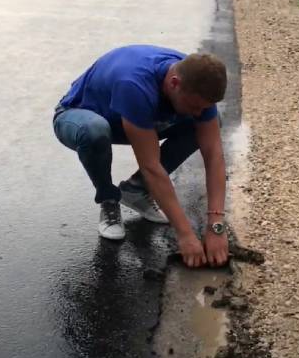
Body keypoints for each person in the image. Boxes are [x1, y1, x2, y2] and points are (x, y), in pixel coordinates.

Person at [52, 45, 229, 268]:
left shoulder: (200, 80)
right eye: (194, 106)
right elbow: (151, 166)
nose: (197, 112)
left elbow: (214, 156)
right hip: (79, 117)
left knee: (205, 126)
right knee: (95, 132)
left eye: (203, 108)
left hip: (134, 118)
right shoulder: (135, 84)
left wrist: (216, 225)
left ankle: (135, 190)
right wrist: (185, 235)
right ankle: (109, 200)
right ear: (174, 83)